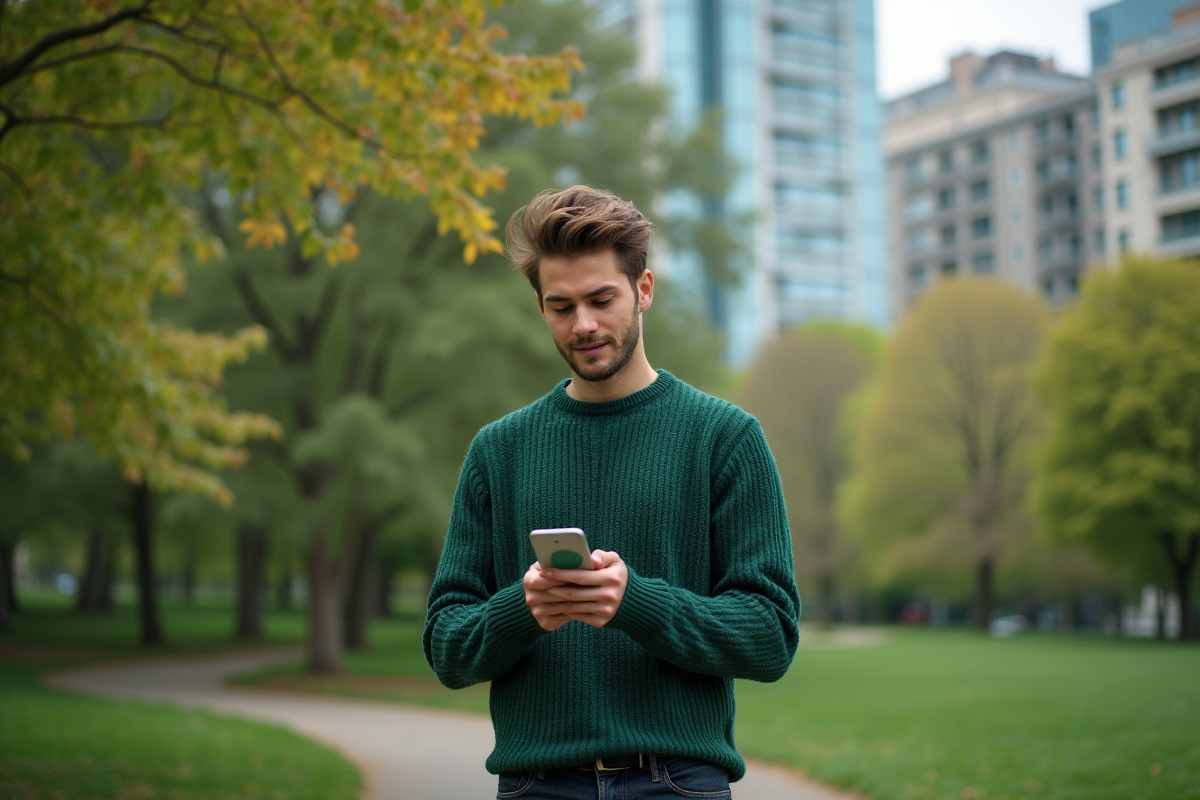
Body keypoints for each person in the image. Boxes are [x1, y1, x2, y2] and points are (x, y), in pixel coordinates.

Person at [423, 185, 800, 799]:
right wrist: (522, 611)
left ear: (643, 289)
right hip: (535, 785)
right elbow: (446, 644)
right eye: (561, 306)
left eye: (602, 299)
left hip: (677, 783)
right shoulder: (499, 451)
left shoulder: (726, 438)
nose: (584, 325)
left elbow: (771, 635)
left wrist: (635, 604)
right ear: (541, 308)